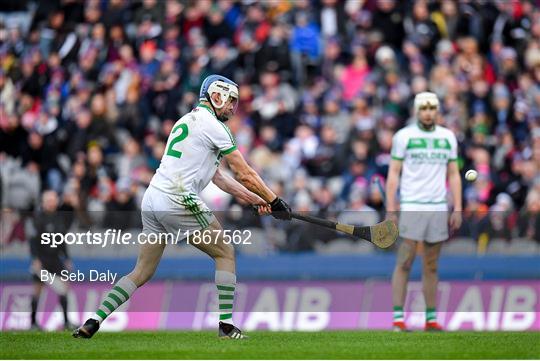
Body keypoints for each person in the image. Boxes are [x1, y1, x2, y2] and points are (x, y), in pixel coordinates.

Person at [73, 74, 292, 339]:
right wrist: (274, 200)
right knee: (225, 252)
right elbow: (244, 172)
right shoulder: (215, 126)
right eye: (231, 100)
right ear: (216, 96)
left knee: (142, 271)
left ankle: (94, 320)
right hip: (177, 199)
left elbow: (219, 177)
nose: (234, 108)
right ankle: (225, 325)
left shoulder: (187, 120)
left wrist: (255, 199)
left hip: (154, 198)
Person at [386, 92, 462, 332]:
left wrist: (457, 207)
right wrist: (391, 209)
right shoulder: (404, 136)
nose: (428, 113)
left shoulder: (448, 137)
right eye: (424, 108)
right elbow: (393, 173)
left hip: (438, 206)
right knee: (405, 261)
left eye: (432, 108)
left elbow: (453, 174)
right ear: (417, 111)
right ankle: (398, 317)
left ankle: (431, 318)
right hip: (411, 205)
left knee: (431, 264)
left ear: (437, 111)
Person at [30, 190, 75, 330]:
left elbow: (62, 241)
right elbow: (33, 241)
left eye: (53, 200)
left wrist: (67, 258)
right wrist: (35, 258)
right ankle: (33, 323)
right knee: (37, 290)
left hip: (56, 260)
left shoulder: (59, 218)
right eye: (49, 200)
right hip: (42, 259)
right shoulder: (38, 218)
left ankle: (67, 322)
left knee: (64, 288)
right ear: (43, 202)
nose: (51, 202)